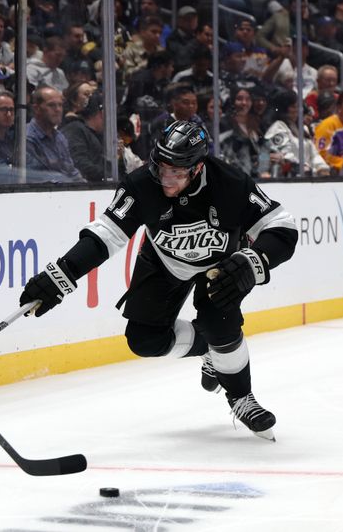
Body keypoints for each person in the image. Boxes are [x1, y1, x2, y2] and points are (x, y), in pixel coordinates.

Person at [19, 120, 298, 441]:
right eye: (161, 168)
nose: (166, 180)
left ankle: (240, 396)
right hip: (165, 262)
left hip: (221, 266)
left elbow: (282, 226)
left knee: (219, 321)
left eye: (176, 172)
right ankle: (209, 350)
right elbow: (105, 235)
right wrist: (60, 276)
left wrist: (252, 261)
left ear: (197, 168)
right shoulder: (141, 184)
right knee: (143, 340)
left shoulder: (230, 182)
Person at [25, 86, 84, 183]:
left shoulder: (60, 137)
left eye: (60, 105)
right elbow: (38, 178)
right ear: (36, 109)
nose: (58, 110)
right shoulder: (28, 138)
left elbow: (71, 172)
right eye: (51, 105)